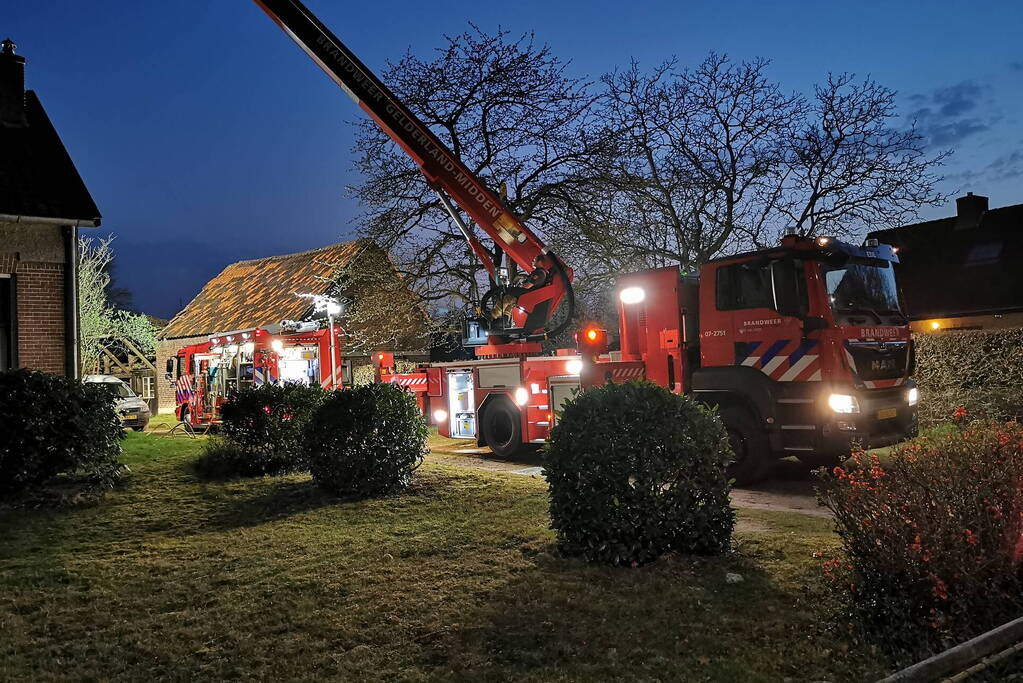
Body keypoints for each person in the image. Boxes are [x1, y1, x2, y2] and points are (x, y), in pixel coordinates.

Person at [490, 253, 551, 320]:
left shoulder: (540, 273)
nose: (532, 261)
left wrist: (518, 287)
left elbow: (527, 286)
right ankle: (505, 319)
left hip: (528, 294)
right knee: (511, 300)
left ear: (539, 262)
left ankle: (493, 315)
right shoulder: (540, 272)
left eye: (534, 260)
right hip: (528, 295)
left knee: (507, 295)